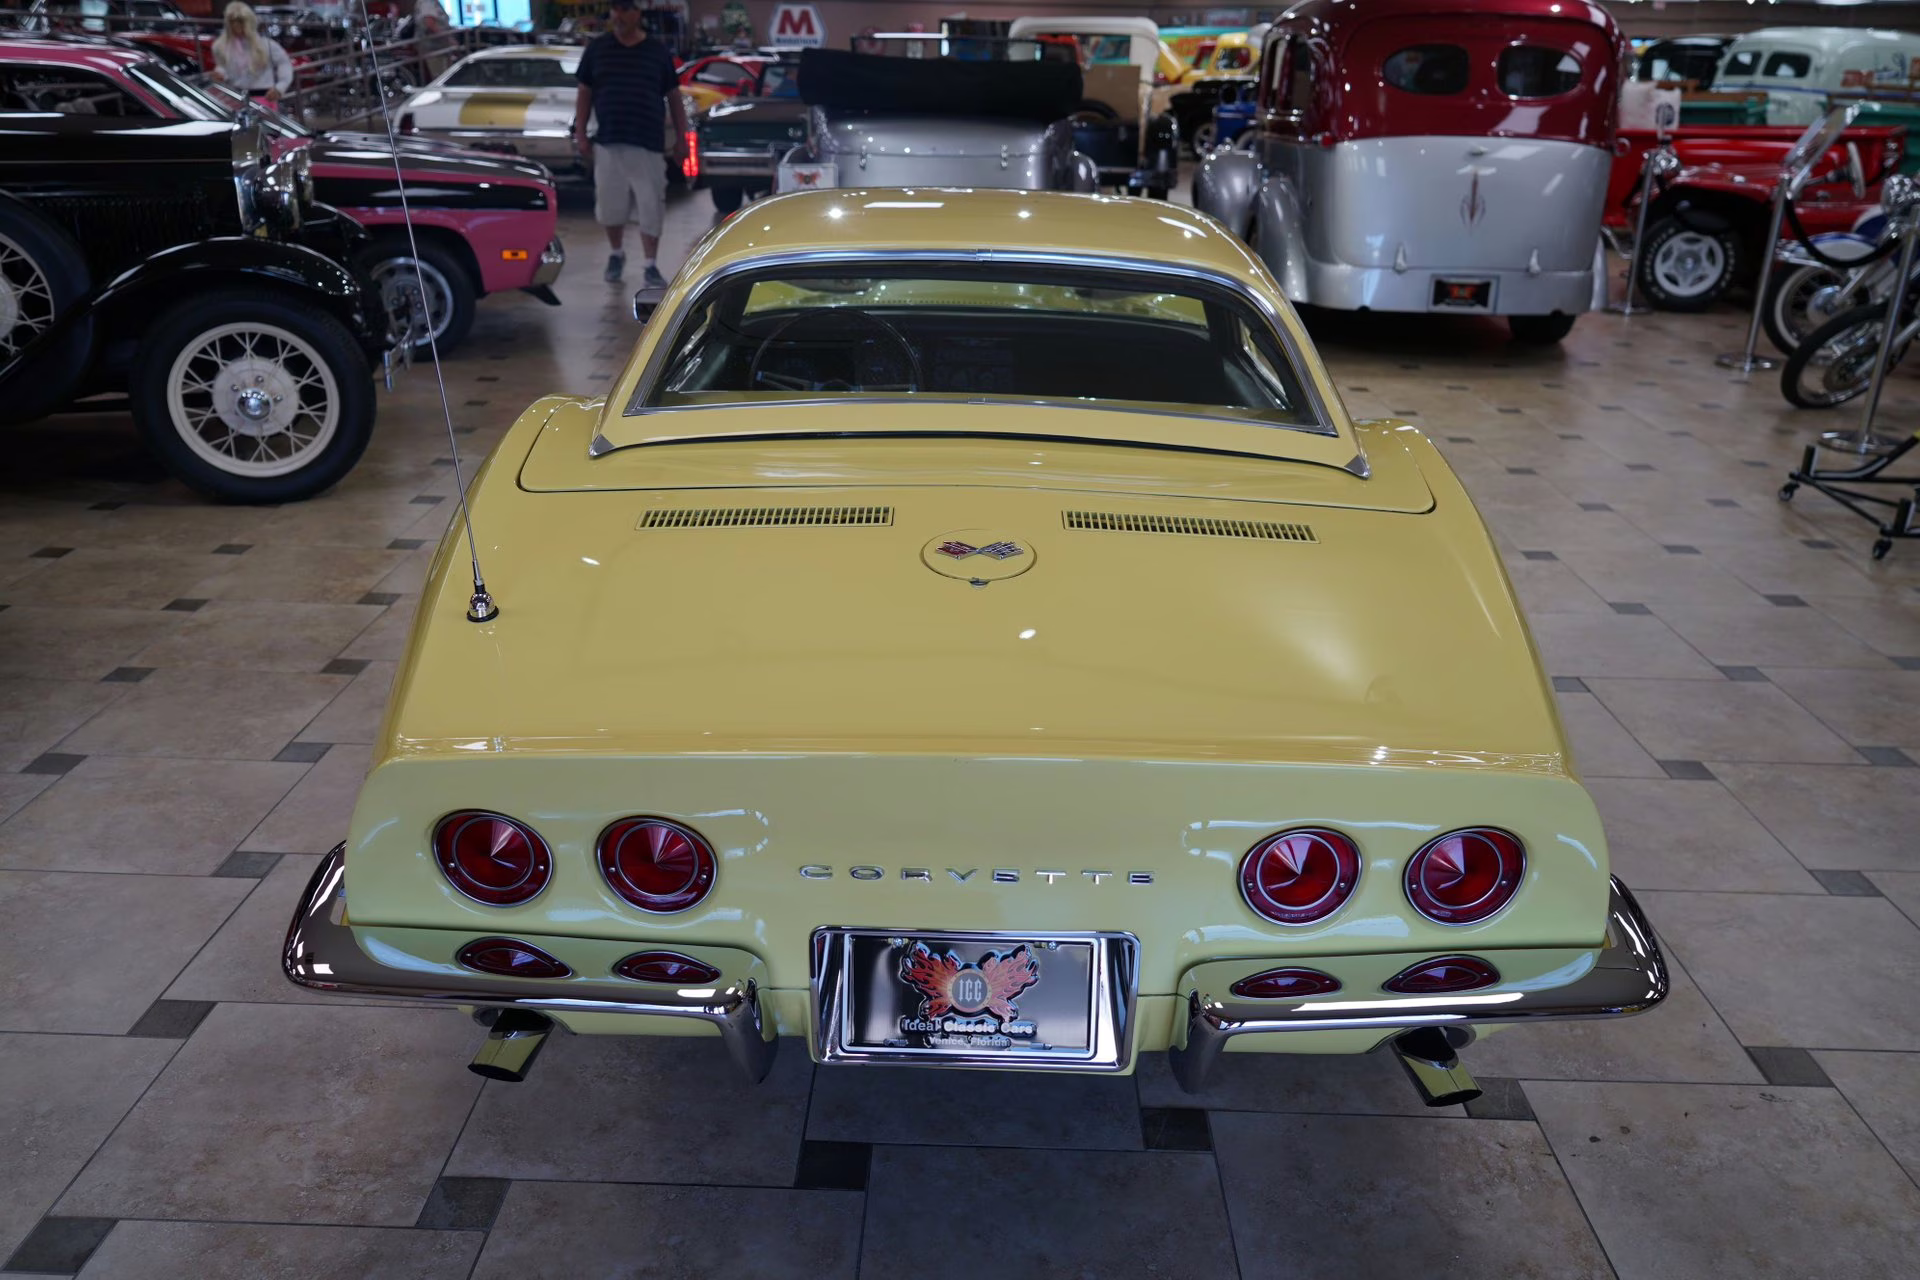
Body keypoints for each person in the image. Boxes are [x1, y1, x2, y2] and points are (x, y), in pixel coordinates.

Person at [574, 0, 687, 286]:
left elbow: (674, 97)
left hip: (648, 144)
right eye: (615, 10)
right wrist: (581, 133)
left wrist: (682, 139)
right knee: (610, 206)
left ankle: (650, 264)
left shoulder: (657, 52)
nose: (619, 15)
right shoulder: (597, 50)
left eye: (625, 9)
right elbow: (585, 92)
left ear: (638, 14)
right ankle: (616, 254)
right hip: (609, 141)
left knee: (651, 205)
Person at [211, 3, 293, 102]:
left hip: (264, 97)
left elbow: (284, 63)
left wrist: (280, 87)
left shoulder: (266, 45)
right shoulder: (221, 46)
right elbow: (223, 66)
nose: (236, 25)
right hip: (236, 97)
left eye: (240, 21)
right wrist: (220, 73)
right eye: (232, 21)